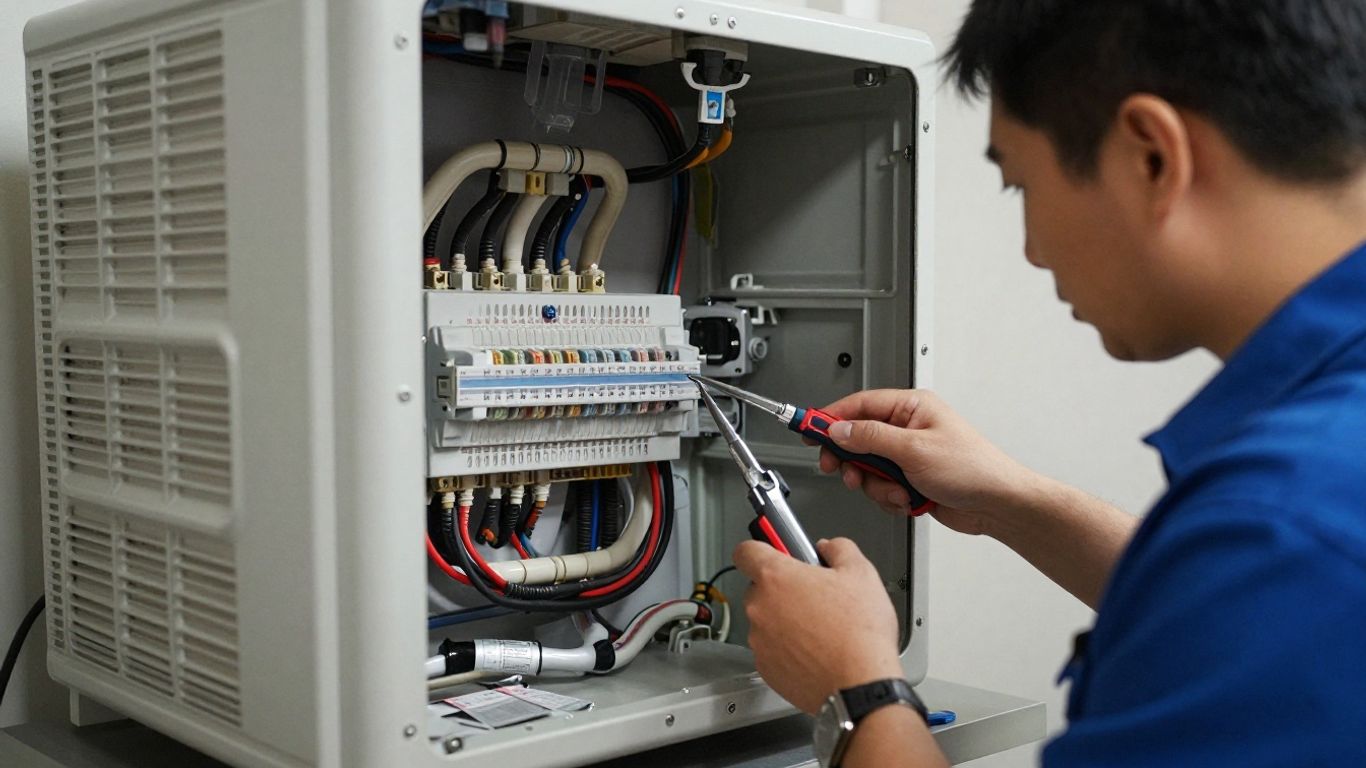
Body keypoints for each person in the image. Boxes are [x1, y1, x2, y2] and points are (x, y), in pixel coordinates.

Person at [733, 1, 1366, 765]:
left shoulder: (1288, 526)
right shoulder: (1306, 502)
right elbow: (1244, 601)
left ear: (1150, 158)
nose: (1033, 251)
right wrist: (1008, 500)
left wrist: (856, 691)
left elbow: (1272, 572)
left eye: (1021, 186)